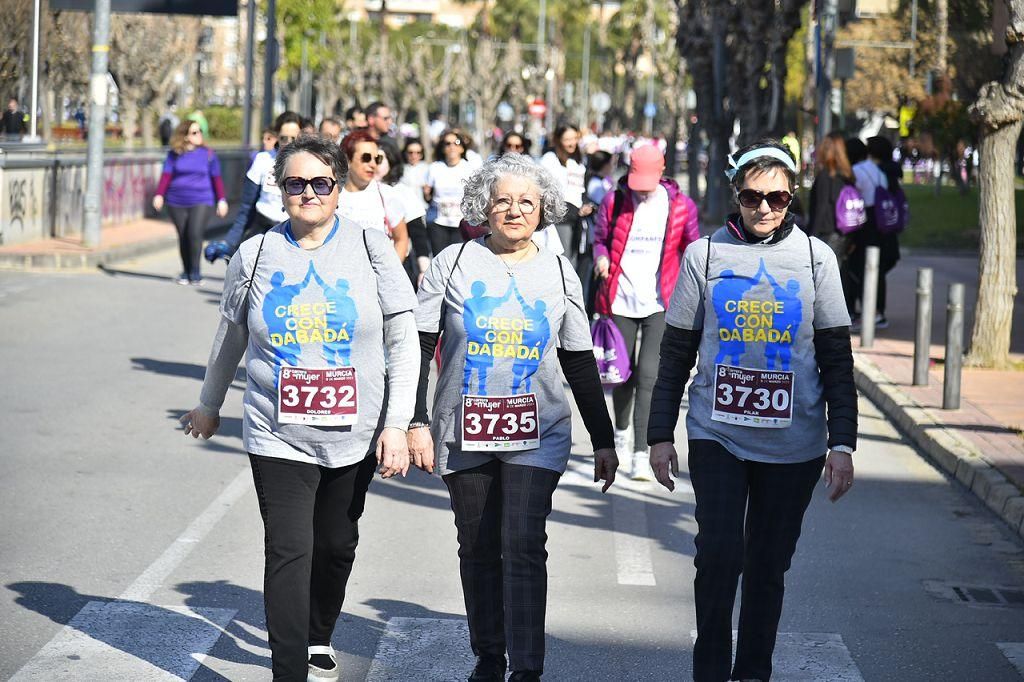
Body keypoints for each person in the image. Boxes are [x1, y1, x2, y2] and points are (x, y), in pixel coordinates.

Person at [179, 135, 419, 682]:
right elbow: (231, 333)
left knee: (335, 544)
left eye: (320, 183)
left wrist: (399, 423)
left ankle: (317, 635)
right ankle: (288, 671)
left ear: (337, 189)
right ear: (279, 188)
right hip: (275, 428)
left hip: (354, 429)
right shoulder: (257, 252)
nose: (308, 192)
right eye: (295, 183)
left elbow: (403, 336)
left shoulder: (369, 247)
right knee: (288, 548)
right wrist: (209, 403)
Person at [647, 140, 857, 682]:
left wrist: (842, 443)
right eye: (751, 196)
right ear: (735, 195)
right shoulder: (706, 255)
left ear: (792, 199)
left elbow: (836, 357)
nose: (764, 208)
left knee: (767, 569)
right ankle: (711, 671)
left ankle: (752, 673)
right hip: (718, 435)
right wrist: (660, 434)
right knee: (717, 555)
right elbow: (676, 353)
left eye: (778, 198)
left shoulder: (816, 258)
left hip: (796, 444)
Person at [408, 154, 618, 682]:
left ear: (543, 208)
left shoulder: (558, 269)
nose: (515, 210)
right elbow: (420, 344)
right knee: (476, 545)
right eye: (503, 200)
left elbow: (576, 357)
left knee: (522, 542)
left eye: (527, 201)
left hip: (538, 430)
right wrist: (415, 422)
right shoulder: (451, 264)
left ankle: (526, 669)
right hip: (463, 428)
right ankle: (488, 658)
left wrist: (603, 439)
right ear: (484, 206)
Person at [592, 144, 700, 479]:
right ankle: (621, 433)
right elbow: (600, 237)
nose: (641, 189)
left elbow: (693, 248)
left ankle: (641, 451)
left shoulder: (681, 206)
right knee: (622, 375)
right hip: (620, 298)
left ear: (661, 171)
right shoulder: (615, 199)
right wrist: (601, 256)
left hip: (660, 303)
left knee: (650, 376)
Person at [206, 111, 302, 262]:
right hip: (263, 229)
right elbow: (246, 208)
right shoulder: (263, 160)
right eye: (284, 138)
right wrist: (229, 242)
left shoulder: (308, 165)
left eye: (293, 138)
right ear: (277, 136)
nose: (288, 142)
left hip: (293, 234)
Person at [152, 120, 229, 285]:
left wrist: (221, 200)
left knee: (194, 233)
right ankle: (186, 271)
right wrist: (159, 195)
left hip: (202, 199)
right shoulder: (174, 154)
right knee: (183, 235)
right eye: (194, 132)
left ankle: (195, 272)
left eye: (200, 131)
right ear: (185, 136)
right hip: (176, 200)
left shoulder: (208, 154)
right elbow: (166, 175)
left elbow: (217, 179)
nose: (199, 135)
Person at [844, 136, 901, 328]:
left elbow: (851, 195)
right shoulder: (879, 171)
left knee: (860, 268)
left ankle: (869, 312)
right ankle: (877, 312)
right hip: (880, 222)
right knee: (875, 269)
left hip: (865, 222)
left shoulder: (857, 171)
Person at [336, 129, 409, 262]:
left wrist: (391, 274)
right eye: (366, 158)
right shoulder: (332, 195)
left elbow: (401, 239)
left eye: (377, 159)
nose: (373, 164)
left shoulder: (387, 195)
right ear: (347, 159)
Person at [540, 124, 592, 267]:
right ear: (557, 140)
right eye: (567, 139)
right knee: (563, 261)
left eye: (575, 138)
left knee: (573, 262)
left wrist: (586, 206)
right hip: (560, 219)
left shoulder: (579, 161)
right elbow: (546, 191)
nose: (572, 143)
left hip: (577, 219)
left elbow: (581, 189)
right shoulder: (549, 160)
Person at [424, 128, 475, 256]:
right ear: (442, 148)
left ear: (462, 148)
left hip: (461, 222)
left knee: (458, 259)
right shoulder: (435, 168)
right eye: (447, 143)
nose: (452, 146)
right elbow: (427, 193)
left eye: (456, 142)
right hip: (438, 222)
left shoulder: (469, 169)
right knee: (440, 259)